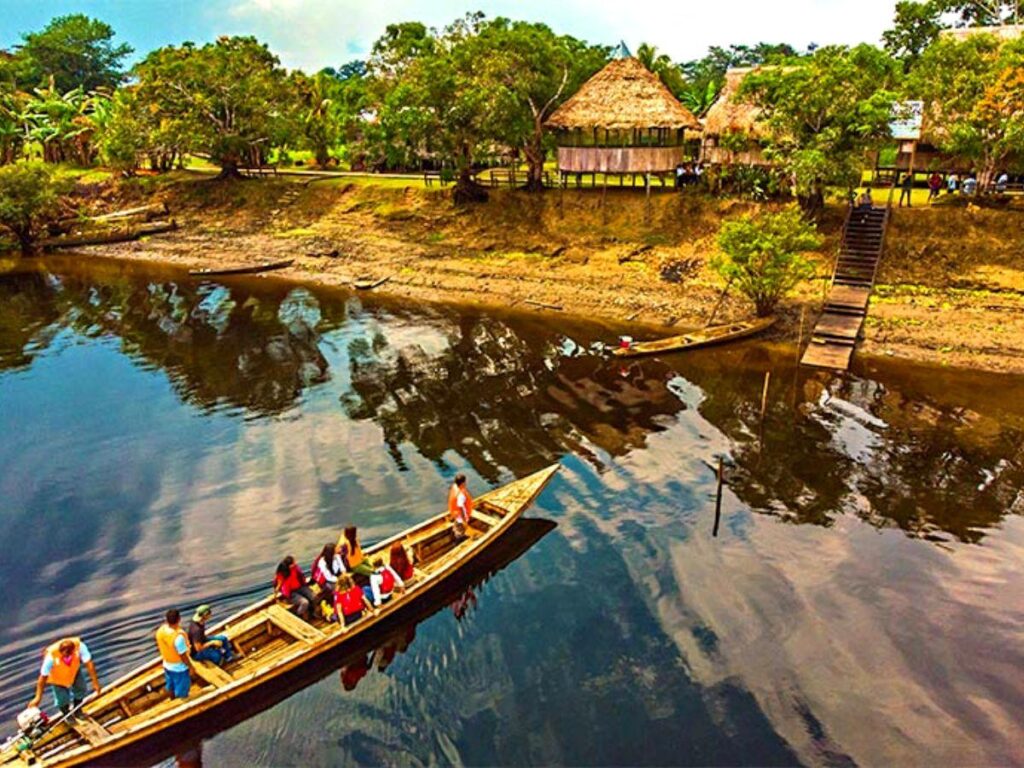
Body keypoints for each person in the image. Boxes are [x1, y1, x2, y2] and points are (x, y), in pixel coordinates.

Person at [28, 637, 102, 714]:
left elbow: (89, 664)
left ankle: (77, 709)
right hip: (58, 677)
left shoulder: (80, 647)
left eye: (69, 654)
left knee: (81, 688)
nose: (67, 657)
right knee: (62, 698)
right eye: (65, 655)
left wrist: (95, 683)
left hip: (74, 670)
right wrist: (38, 697)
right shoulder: (51, 657)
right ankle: (66, 713)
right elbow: (42, 678)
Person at [156, 609, 194, 699]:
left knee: (170, 686)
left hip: (167, 664)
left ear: (167, 620)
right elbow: (183, 656)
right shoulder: (178, 637)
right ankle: (181, 704)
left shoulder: (161, 630)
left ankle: (172, 698)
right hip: (179, 668)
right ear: (179, 619)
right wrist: (191, 667)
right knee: (182, 691)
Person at [273, 556, 319, 621]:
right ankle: (298, 616)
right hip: (291, 593)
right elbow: (278, 585)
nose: (295, 563)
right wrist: (275, 596)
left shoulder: (295, 568)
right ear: (289, 566)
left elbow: (301, 576)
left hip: (300, 587)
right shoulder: (282, 574)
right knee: (304, 602)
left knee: (314, 597)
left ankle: (312, 612)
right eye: (293, 563)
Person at [448, 473, 475, 538]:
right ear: (463, 483)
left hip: (455, 513)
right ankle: (459, 541)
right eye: (465, 482)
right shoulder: (461, 495)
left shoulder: (455, 487)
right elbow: (461, 508)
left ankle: (455, 532)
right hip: (460, 517)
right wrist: (464, 521)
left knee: (457, 526)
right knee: (460, 532)